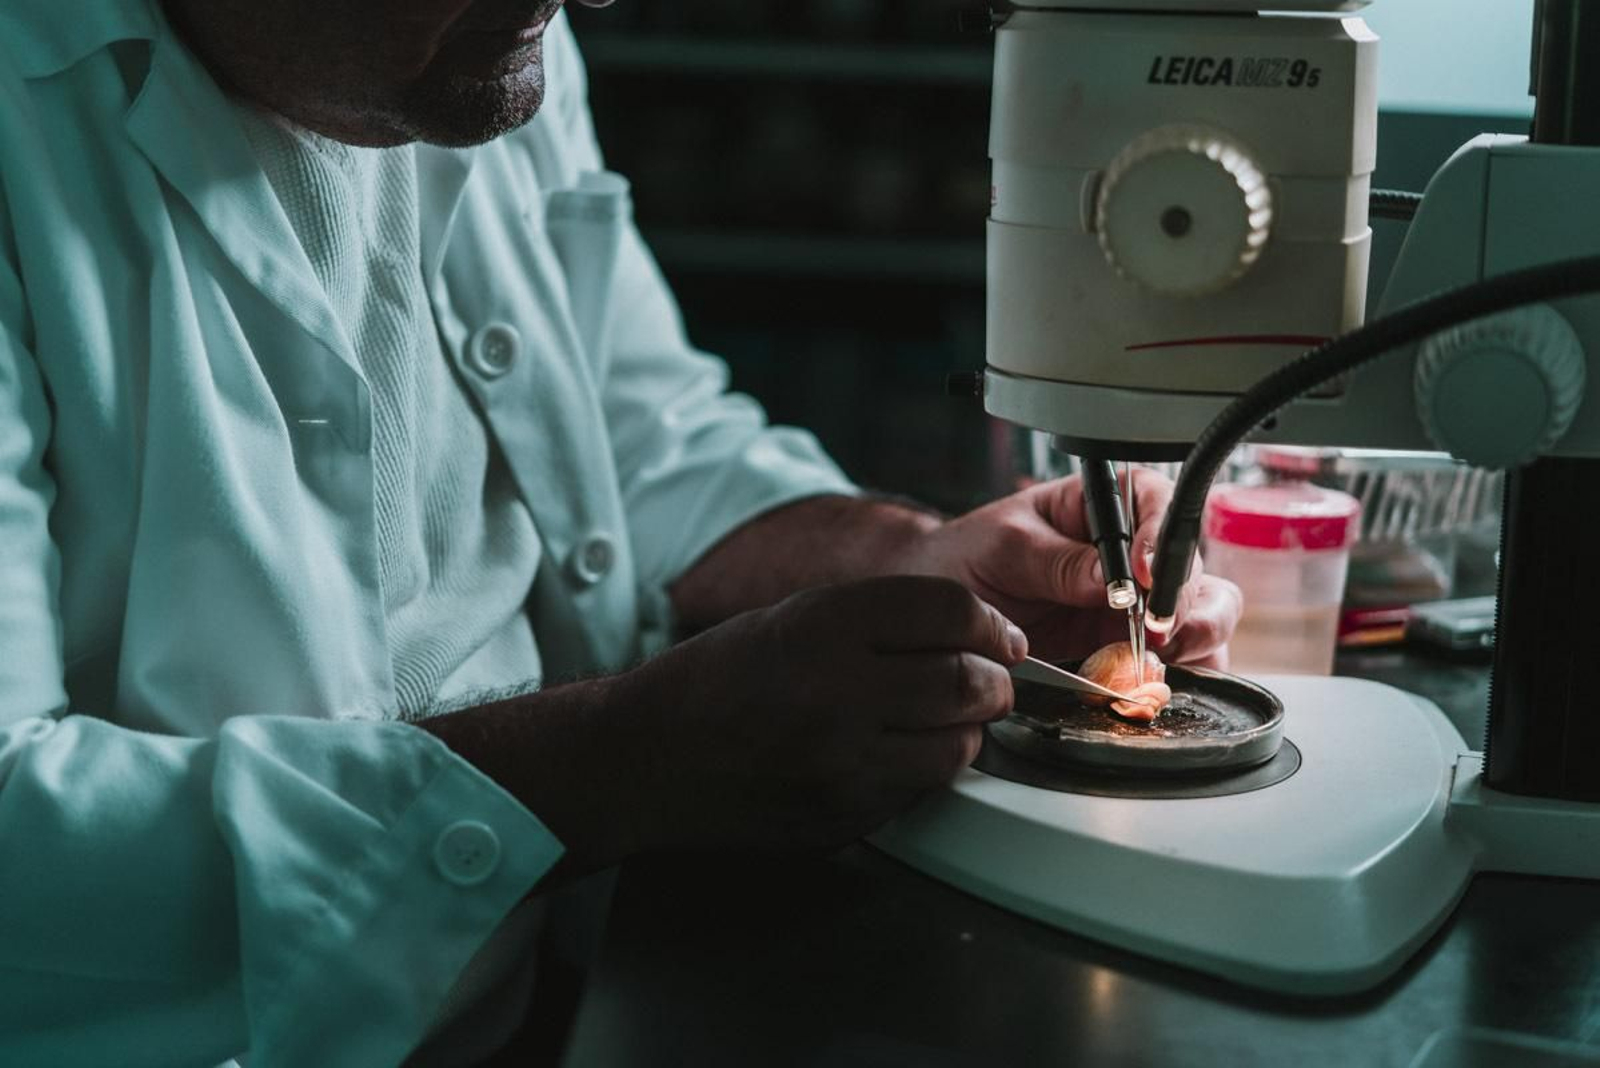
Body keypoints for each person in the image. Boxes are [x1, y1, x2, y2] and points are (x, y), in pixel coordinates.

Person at [0, 0, 1242, 1063]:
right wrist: (621, 760)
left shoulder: (480, 40)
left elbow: (643, 435)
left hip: (552, 989)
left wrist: (911, 559)